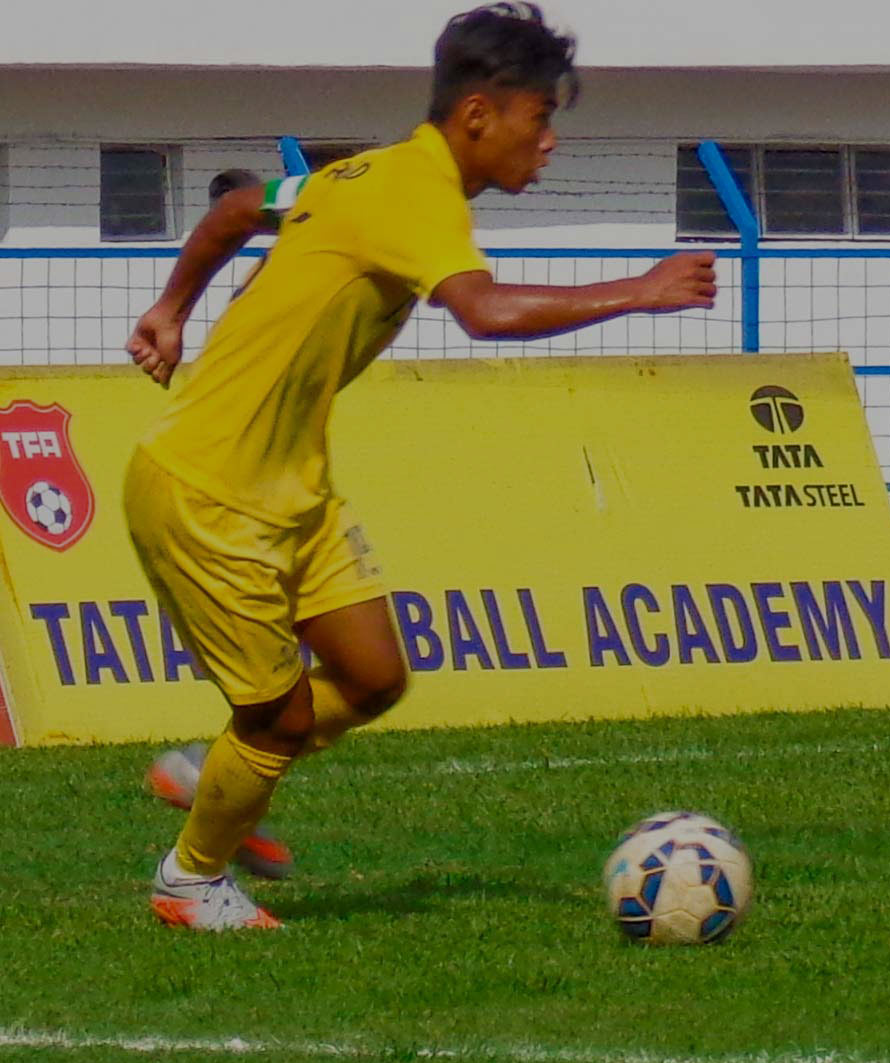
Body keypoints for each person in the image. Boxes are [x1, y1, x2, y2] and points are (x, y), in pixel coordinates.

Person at [122, 1, 718, 930]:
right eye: (540, 118)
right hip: (207, 489)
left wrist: (171, 309)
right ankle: (189, 878)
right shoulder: (414, 192)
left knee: (372, 678)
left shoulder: (360, 173)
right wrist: (638, 291)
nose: (549, 142)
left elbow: (241, 208)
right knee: (277, 719)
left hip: (292, 490)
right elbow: (482, 312)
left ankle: (211, 776)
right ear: (480, 115)